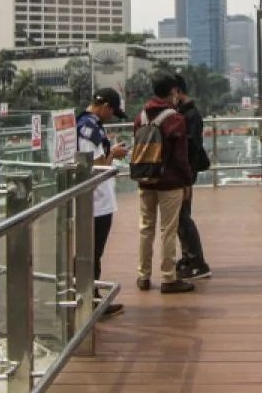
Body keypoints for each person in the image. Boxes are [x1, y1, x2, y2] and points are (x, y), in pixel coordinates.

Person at [133, 73, 195, 294]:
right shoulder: (175, 119)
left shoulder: (141, 116)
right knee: (167, 230)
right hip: (169, 182)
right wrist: (187, 182)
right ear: (173, 92)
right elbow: (180, 157)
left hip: (145, 178)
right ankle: (168, 277)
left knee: (145, 227)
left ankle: (143, 275)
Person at [76, 87, 129, 318]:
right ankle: (91, 301)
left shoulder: (83, 124)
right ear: (105, 106)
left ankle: (88, 296)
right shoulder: (91, 130)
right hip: (97, 202)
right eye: (112, 112)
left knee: (89, 252)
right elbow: (98, 168)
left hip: (92, 200)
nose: (111, 116)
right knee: (91, 253)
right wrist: (114, 154)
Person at [174, 74, 211, 280]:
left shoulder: (191, 115)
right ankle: (188, 257)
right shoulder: (183, 113)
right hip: (183, 171)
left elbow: (192, 147)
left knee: (183, 217)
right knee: (181, 216)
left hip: (185, 172)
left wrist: (187, 177)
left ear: (177, 92)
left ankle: (198, 261)